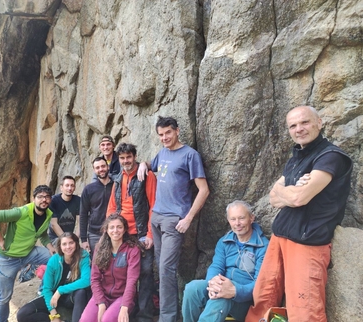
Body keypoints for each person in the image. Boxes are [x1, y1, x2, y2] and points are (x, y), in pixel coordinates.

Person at [245, 106, 353, 322]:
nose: (299, 129)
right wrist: (292, 188)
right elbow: (273, 198)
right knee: (263, 299)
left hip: (308, 242)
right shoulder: (296, 158)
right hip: (280, 238)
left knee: (304, 310)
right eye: (293, 125)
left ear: (319, 123)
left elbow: (298, 199)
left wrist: (289, 191)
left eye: (304, 122)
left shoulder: (331, 157)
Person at [138, 116, 210, 322]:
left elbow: (204, 190)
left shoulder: (190, 155)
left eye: (168, 133)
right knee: (161, 269)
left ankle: (167, 318)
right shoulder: (162, 153)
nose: (164, 137)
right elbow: (152, 165)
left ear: (177, 131)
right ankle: (167, 312)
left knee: (166, 268)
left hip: (173, 221)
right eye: (160, 135)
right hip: (157, 218)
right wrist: (144, 164)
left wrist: (188, 218)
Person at [182, 200, 269, 322]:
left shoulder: (263, 246)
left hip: (245, 302)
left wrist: (235, 291)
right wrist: (212, 283)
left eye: (241, 218)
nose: (237, 223)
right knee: (193, 288)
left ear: (251, 218)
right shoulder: (224, 241)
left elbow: (261, 284)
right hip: (222, 289)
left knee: (222, 296)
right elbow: (216, 266)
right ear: (228, 221)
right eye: (233, 219)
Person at [0, 185, 56, 322]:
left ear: (50, 199)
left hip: (29, 252)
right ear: (33, 198)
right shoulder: (20, 212)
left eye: (47, 197)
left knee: (54, 259)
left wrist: (50, 246)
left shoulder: (48, 214)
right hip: (8, 258)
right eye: (40, 197)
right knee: (5, 296)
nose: (44, 200)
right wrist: (0, 239)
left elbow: (42, 233)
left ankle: (44, 290)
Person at [107, 142, 157, 322]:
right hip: (122, 235)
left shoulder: (147, 176)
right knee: (123, 274)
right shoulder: (118, 179)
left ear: (134, 157)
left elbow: (153, 206)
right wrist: (110, 231)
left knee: (144, 273)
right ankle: (126, 310)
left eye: (129, 157)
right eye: (122, 158)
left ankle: (144, 316)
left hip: (142, 233)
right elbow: (112, 207)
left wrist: (150, 234)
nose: (126, 161)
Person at [80, 213, 141, 322]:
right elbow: (94, 278)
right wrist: (101, 302)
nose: (115, 230)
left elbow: (132, 281)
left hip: (122, 297)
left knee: (106, 319)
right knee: (85, 319)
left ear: (124, 229)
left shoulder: (132, 250)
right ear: (106, 230)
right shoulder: (99, 248)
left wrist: (125, 306)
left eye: (119, 227)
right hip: (102, 295)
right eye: (112, 227)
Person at [17, 233, 91, 322]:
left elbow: (86, 280)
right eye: (64, 244)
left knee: (81, 292)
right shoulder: (54, 260)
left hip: (72, 297)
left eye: (71, 243)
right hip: (54, 297)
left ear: (76, 243)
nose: (68, 247)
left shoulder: (83, 256)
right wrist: (53, 313)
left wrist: (60, 290)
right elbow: (47, 289)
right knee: (23, 314)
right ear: (60, 246)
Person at [80, 157, 114, 255]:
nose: (101, 169)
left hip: (114, 231)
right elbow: (83, 214)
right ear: (94, 170)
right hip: (94, 234)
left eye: (103, 166)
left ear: (108, 167)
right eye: (97, 167)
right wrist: (83, 239)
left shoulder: (116, 186)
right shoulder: (88, 189)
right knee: (96, 264)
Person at [48, 176, 81, 245]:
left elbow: (81, 222)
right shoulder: (53, 201)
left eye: (72, 186)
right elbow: (54, 224)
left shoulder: (78, 200)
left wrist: (76, 239)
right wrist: (67, 241)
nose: (69, 188)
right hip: (55, 238)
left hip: (70, 237)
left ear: (74, 188)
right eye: (67, 185)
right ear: (61, 187)